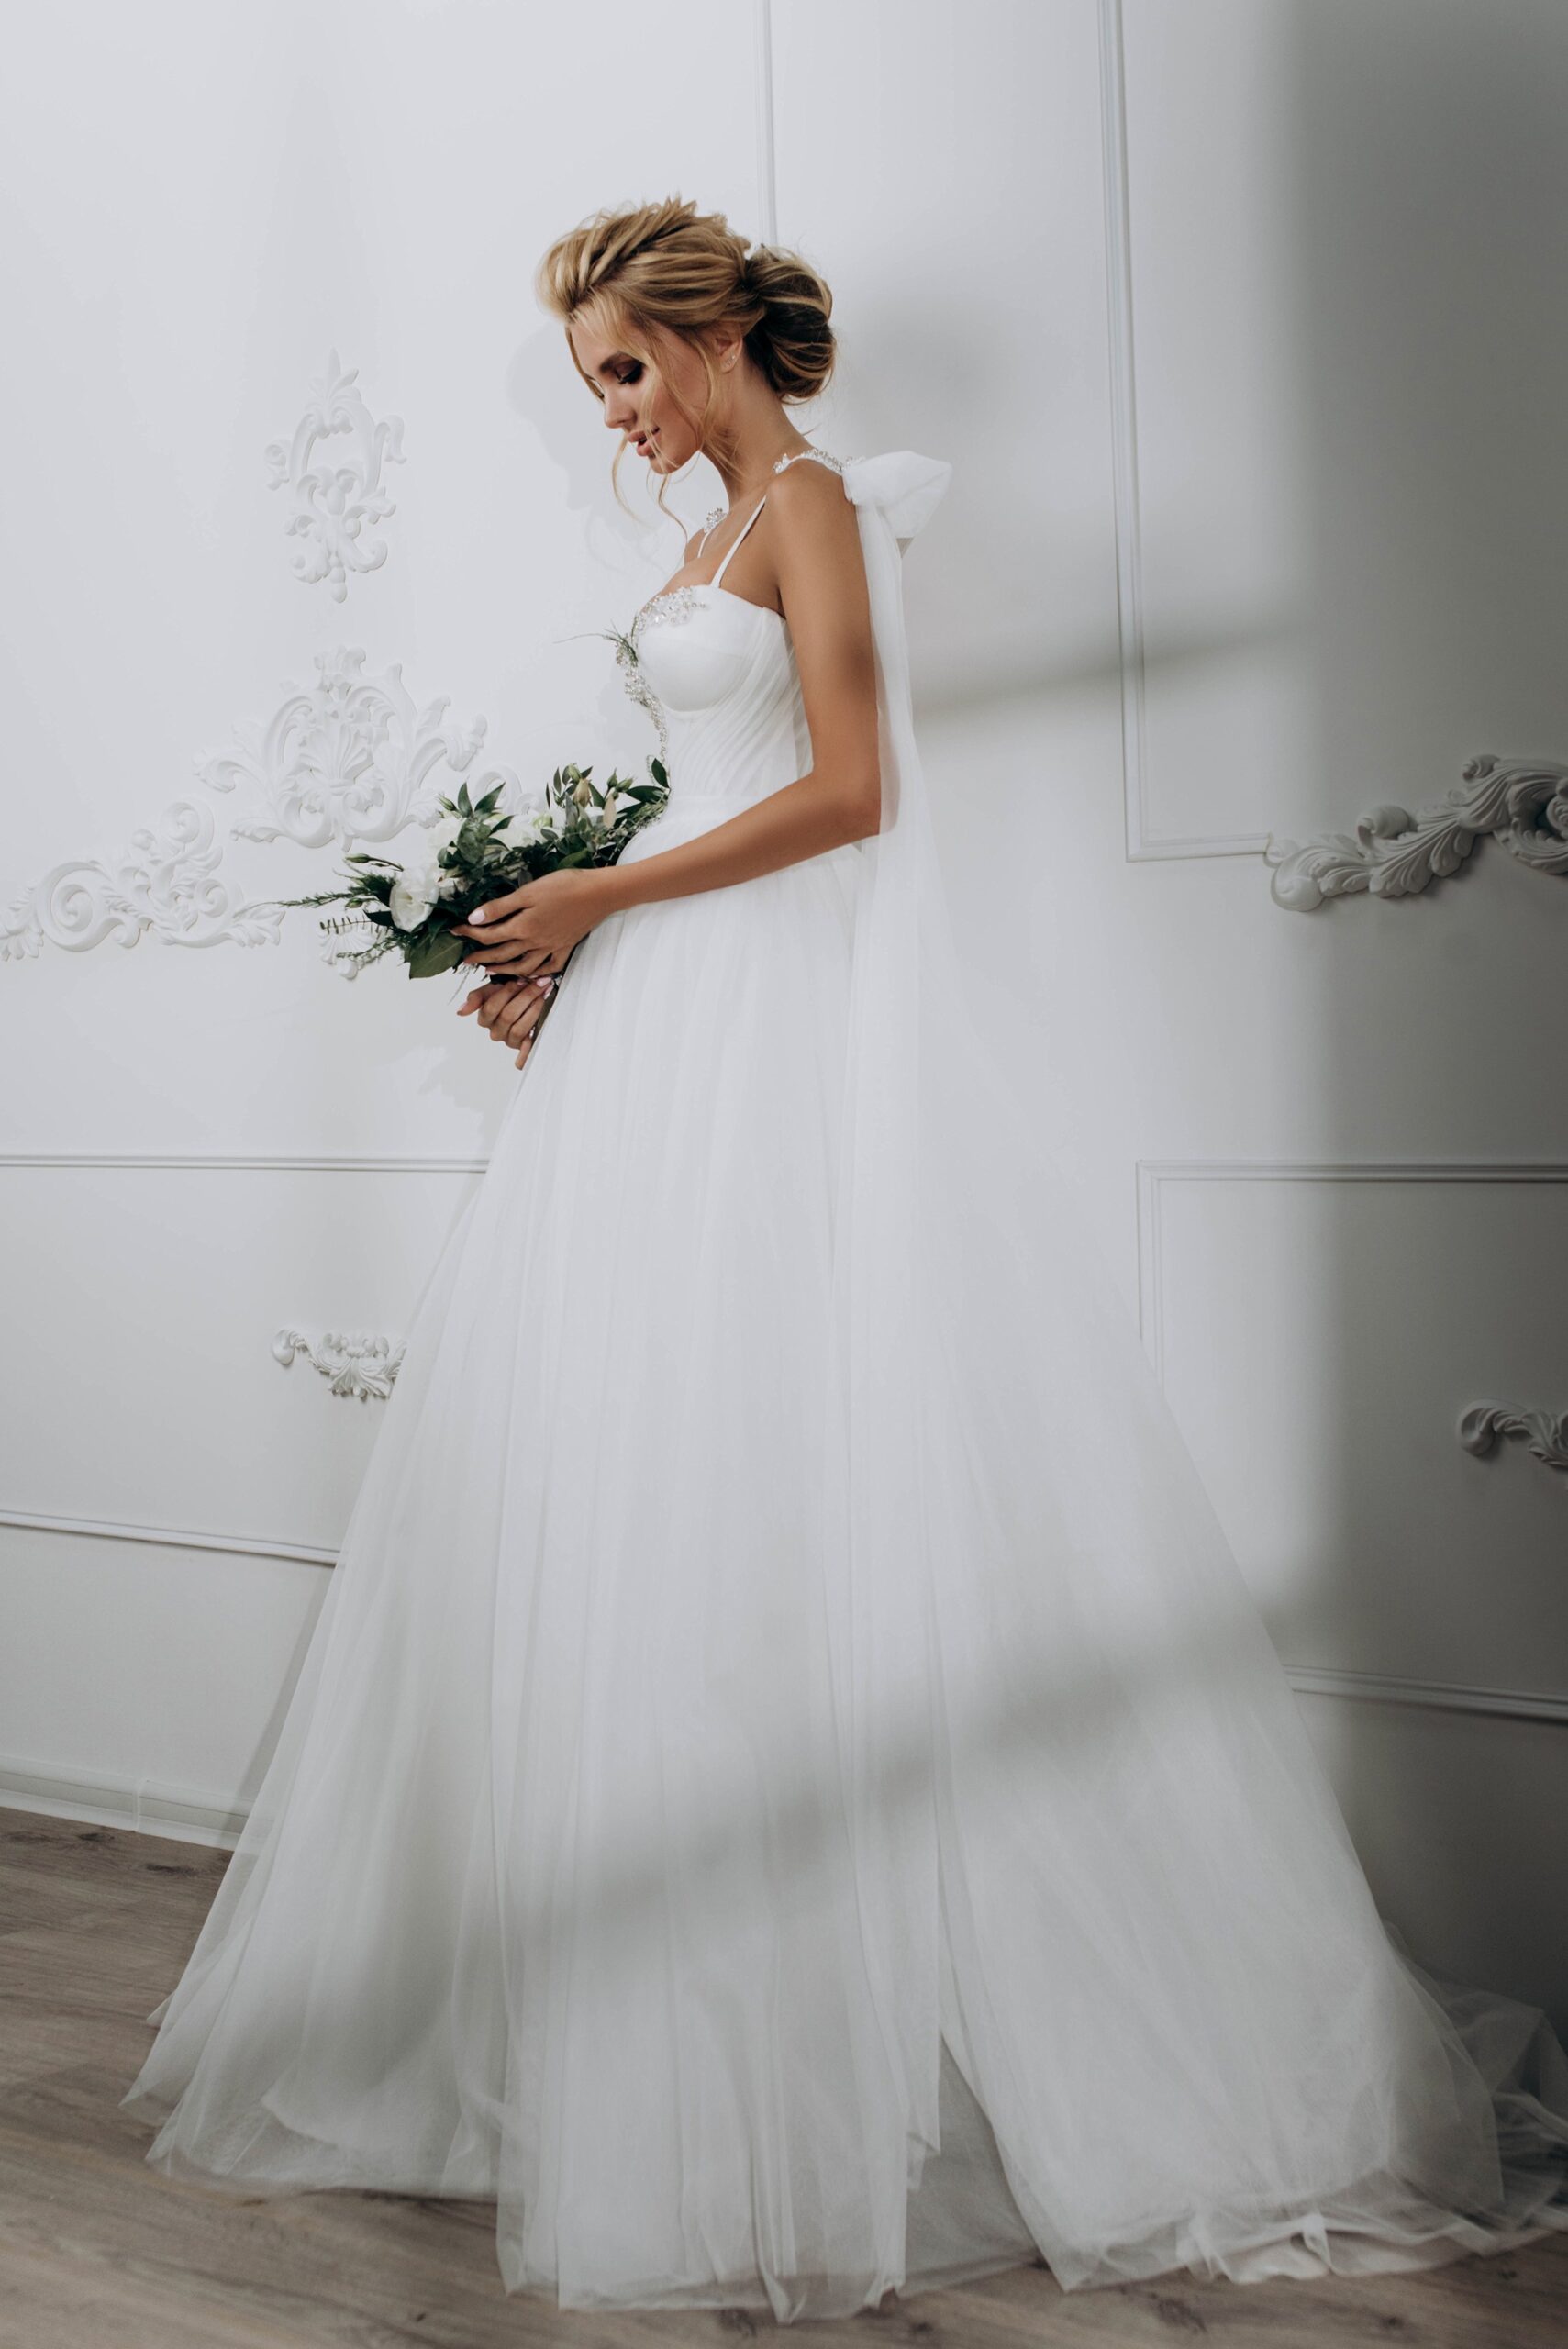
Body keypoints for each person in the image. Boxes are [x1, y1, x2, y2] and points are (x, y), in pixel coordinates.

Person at [121, 195, 1568, 2325]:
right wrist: (561, 947)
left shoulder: (809, 507)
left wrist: (604, 893)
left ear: (710, 342)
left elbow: (859, 790)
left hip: (770, 1024)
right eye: (594, 382)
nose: (614, 415)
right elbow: (726, 775)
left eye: (624, 369)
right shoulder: (704, 537)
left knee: (806, 1453)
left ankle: (871, 2058)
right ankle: (673, 2031)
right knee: (649, 1482)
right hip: (671, 1022)